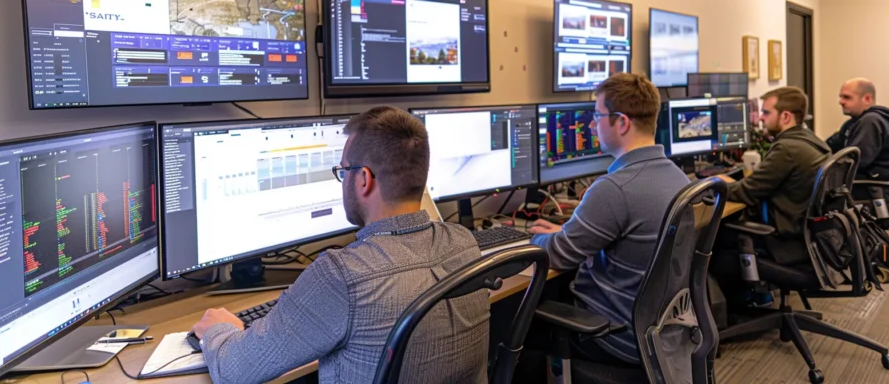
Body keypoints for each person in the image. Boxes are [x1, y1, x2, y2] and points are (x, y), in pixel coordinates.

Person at [190, 106, 490, 383]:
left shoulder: (342, 275)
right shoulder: (463, 244)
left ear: (363, 179)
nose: (342, 179)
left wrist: (218, 329)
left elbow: (235, 371)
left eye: (343, 171)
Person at [524, 72, 690, 371]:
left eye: (597, 115)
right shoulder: (677, 177)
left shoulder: (615, 188)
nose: (591, 124)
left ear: (622, 122)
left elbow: (558, 255)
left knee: (515, 333)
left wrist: (532, 239)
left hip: (614, 336)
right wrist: (569, 231)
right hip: (664, 334)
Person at [719, 86, 831, 265]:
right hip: (805, 235)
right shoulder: (810, 139)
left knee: (713, 242)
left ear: (785, 116)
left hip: (782, 241)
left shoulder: (786, 149)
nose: (761, 118)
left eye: (766, 112)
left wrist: (715, 184)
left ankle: (751, 292)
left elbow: (746, 193)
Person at [826, 78, 889, 202]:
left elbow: (854, 162)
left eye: (847, 97)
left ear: (867, 99)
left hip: (881, 186)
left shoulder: (871, 121)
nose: (841, 102)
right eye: (840, 97)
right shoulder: (855, 122)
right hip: (884, 182)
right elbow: (830, 144)